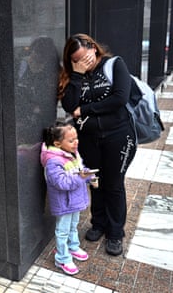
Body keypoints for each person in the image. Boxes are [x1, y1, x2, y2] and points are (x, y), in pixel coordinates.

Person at [58, 33, 137, 256]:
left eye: (85, 56)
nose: (84, 62)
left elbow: (120, 98)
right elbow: (68, 104)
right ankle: (99, 223)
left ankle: (115, 233)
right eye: (77, 60)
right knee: (96, 181)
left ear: (93, 47)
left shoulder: (114, 65)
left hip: (118, 137)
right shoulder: (75, 75)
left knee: (113, 184)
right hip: (89, 140)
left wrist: (85, 110)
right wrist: (76, 75)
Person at [40, 122, 95, 275]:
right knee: (62, 230)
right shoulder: (53, 161)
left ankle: (73, 246)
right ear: (58, 143)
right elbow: (61, 183)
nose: (76, 142)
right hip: (64, 203)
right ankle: (62, 258)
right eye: (71, 140)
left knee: (73, 226)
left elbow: (80, 170)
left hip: (75, 200)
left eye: (76, 138)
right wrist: (81, 178)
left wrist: (89, 176)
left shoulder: (72, 154)